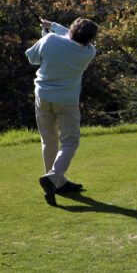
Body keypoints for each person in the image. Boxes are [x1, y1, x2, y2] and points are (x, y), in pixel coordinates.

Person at [25, 17, 98, 206]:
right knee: (70, 141)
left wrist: (47, 32)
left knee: (48, 140)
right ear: (90, 39)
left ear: (71, 30)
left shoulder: (50, 40)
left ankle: (55, 181)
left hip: (43, 96)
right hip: (66, 101)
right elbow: (74, 37)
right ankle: (54, 178)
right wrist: (54, 27)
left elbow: (33, 58)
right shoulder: (89, 52)